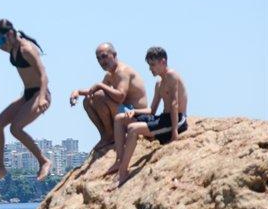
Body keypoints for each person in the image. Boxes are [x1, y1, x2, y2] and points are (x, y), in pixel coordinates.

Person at [0, 19, 52, 182]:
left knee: (15, 128)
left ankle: (44, 161)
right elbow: (2, 48)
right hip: (27, 95)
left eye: (1, 39)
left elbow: (43, 75)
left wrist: (41, 99)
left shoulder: (27, 49)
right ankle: (0, 167)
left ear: (10, 34)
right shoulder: (12, 47)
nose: (1, 43)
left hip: (40, 94)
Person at [107, 47, 189, 186]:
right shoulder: (159, 83)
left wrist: (175, 133)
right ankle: (119, 160)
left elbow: (174, 104)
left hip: (177, 120)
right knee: (120, 118)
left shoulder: (172, 75)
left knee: (133, 128)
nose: (150, 69)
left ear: (163, 62)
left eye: (153, 65)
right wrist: (134, 112)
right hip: (163, 118)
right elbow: (152, 110)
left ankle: (123, 172)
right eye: (149, 65)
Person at [69, 43, 149, 153]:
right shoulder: (110, 75)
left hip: (136, 115)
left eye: (104, 56)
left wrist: (100, 86)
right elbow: (94, 91)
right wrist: (77, 92)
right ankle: (106, 136)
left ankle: (111, 135)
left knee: (99, 96)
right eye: (98, 59)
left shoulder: (122, 72)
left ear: (114, 55)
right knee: (87, 101)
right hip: (123, 113)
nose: (102, 61)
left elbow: (120, 97)